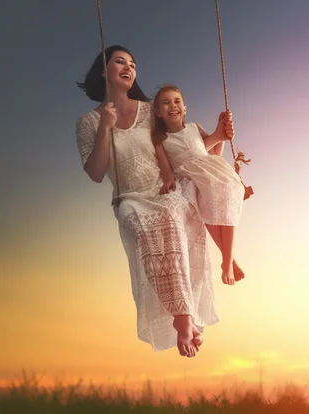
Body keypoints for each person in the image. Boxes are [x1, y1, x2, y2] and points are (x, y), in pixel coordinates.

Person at [75, 45, 224, 357]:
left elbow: (181, 144)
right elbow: (96, 172)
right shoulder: (88, 122)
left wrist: (218, 137)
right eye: (120, 62)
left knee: (172, 217)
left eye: (133, 64)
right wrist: (105, 127)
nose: (129, 68)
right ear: (105, 71)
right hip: (129, 198)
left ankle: (184, 319)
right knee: (140, 223)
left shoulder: (148, 111)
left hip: (163, 189)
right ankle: (181, 315)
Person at [151, 85, 245, 286]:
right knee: (205, 204)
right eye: (166, 102)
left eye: (177, 101)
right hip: (189, 178)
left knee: (228, 193)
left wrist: (221, 130)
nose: (173, 106)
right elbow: (167, 170)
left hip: (211, 173)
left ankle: (228, 259)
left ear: (185, 108)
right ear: (158, 113)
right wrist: (168, 182)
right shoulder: (161, 140)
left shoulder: (194, 127)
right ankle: (229, 259)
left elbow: (213, 154)